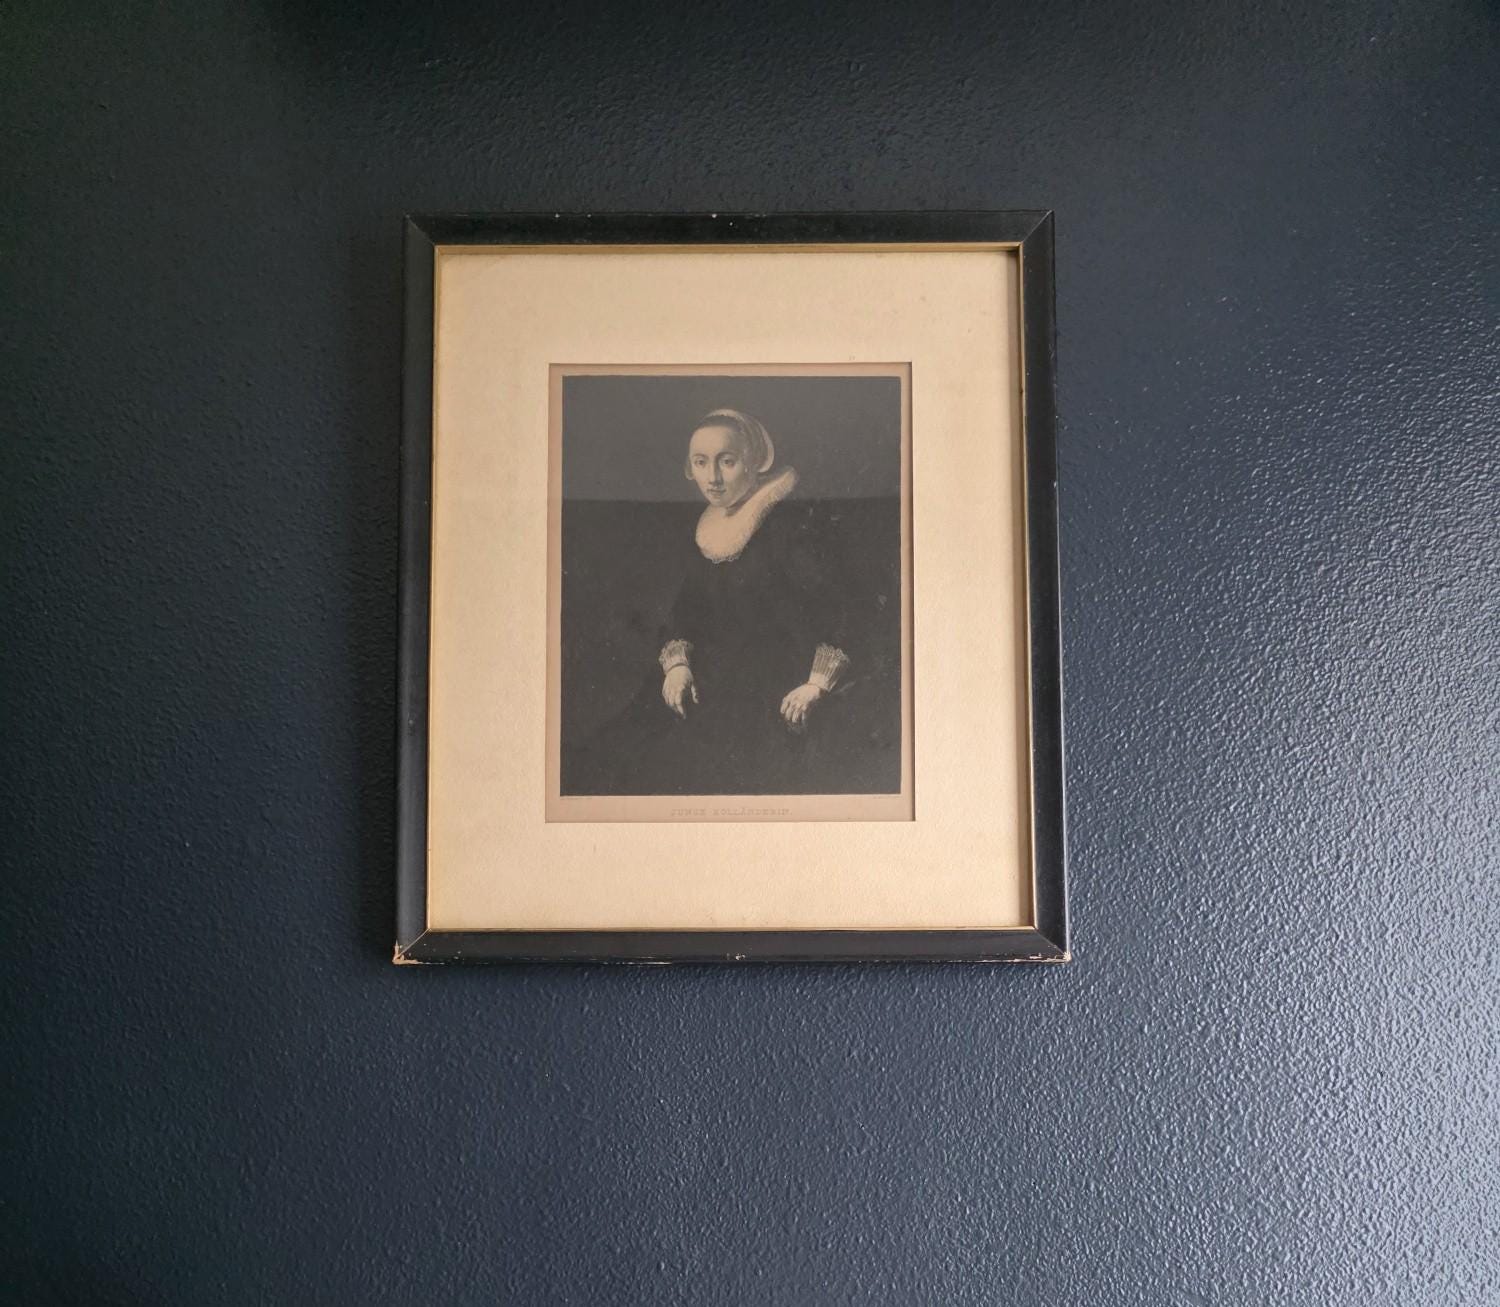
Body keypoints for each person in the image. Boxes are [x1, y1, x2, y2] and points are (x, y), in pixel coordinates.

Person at [567, 408, 895, 796]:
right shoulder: (710, 527)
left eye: (727, 461)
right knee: (616, 754)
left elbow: (843, 608)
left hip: (779, 686)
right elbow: (687, 611)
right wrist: (677, 666)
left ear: (754, 462)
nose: (713, 477)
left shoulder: (788, 525)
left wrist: (816, 684)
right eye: (700, 462)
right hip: (713, 678)